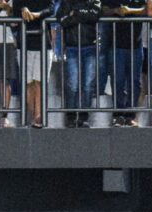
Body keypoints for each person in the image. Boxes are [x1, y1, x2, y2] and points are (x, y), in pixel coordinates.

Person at [59, 0, 101, 128]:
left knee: (88, 84)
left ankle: (84, 117)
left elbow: (96, 16)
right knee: (73, 84)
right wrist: (82, 15)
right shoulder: (67, 2)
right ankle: (70, 116)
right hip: (72, 47)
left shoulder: (95, 1)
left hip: (90, 47)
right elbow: (62, 20)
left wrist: (75, 14)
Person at [14, 0, 54, 127]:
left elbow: (51, 9)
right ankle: (30, 116)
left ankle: (38, 117)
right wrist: (23, 10)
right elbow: (15, 11)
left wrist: (37, 14)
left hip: (43, 43)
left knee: (39, 82)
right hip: (24, 44)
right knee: (28, 82)